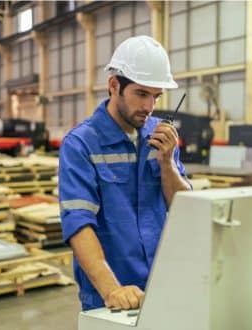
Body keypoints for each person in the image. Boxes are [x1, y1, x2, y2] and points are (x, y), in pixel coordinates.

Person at [59, 35, 191, 311]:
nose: (149, 107)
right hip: (110, 293)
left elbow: (186, 210)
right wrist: (112, 290)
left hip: (162, 284)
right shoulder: (81, 144)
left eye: (155, 96)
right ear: (114, 86)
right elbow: (77, 222)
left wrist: (167, 163)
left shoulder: (161, 137)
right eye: (141, 94)